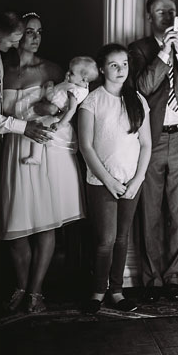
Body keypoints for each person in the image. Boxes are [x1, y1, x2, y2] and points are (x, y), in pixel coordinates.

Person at [0, 13, 81, 314]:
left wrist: (51, 117)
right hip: (13, 148)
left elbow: (66, 108)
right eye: (29, 31)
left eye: (39, 32)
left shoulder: (52, 69)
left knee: (44, 220)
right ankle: (20, 288)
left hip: (42, 149)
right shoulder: (1, 69)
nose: (34, 37)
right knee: (16, 225)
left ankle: (36, 291)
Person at [127, 0, 178, 300]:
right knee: (150, 212)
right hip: (151, 139)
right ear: (150, 18)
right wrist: (163, 54)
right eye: (160, 13)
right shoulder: (139, 49)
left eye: (171, 12)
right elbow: (142, 88)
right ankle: (152, 279)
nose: (167, 17)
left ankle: (175, 276)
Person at [75, 43, 149, 316]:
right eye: (114, 65)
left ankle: (117, 292)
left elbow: (147, 145)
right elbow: (86, 147)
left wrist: (137, 180)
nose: (120, 70)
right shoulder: (92, 101)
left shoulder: (137, 100)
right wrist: (109, 181)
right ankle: (98, 291)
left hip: (131, 182)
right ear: (102, 68)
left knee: (122, 238)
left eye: (124, 64)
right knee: (105, 240)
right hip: (102, 182)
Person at [21, 56, 97, 166]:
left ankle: (36, 157)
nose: (67, 74)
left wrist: (60, 124)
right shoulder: (77, 83)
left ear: (84, 79)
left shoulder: (74, 92)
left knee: (39, 129)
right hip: (52, 101)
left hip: (55, 114)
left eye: (71, 73)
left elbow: (71, 110)